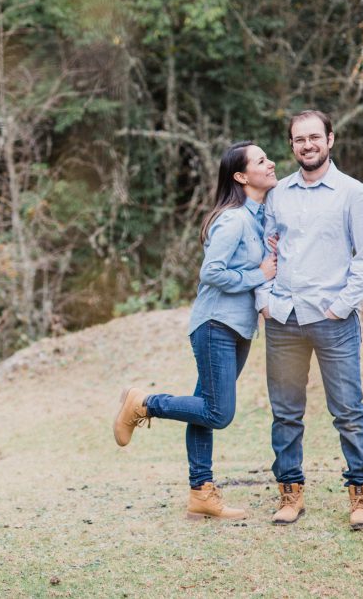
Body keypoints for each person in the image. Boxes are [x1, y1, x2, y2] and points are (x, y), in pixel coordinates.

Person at [113, 141, 277, 520]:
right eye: (261, 160)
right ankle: (144, 403)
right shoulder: (234, 219)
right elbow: (212, 272)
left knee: (204, 409)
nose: (270, 164)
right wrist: (259, 274)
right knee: (218, 412)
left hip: (237, 328)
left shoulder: (256, 217)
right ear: (240, 176)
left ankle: (201, 493)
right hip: (215, 324)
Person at [255, 109, 363, 530]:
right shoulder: (278, 194)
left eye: (314, 137)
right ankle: (290, 494)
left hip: (333, 321)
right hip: (284, 319)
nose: (307, 145)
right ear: (291, 145)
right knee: (286, 412)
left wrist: (339, 307)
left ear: (330, 139)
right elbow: (264, 253)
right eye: (298, 139)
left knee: (348, 410)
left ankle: (361, 496)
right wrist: (265, 302)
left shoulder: (353, 194)